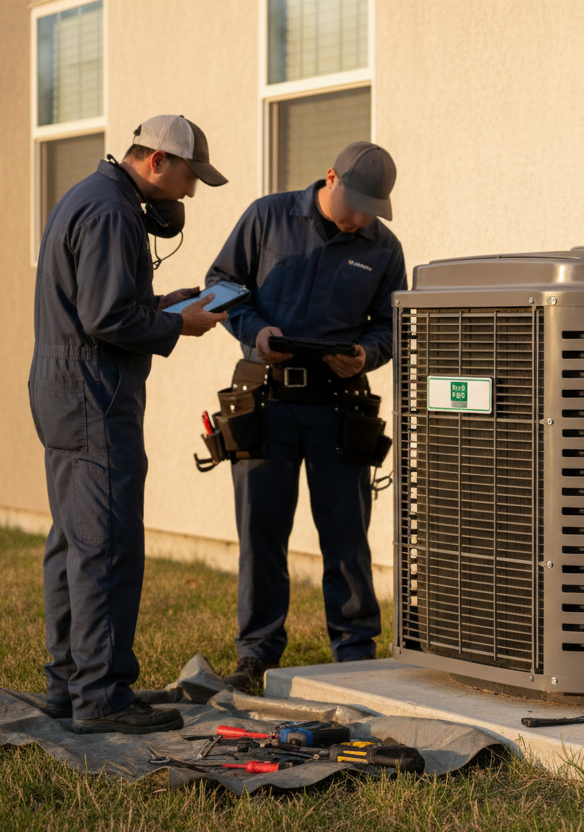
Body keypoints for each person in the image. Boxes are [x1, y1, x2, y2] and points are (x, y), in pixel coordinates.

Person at [29, 115, 229, 734]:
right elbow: (107, 318)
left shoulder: (89, 197)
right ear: (158, 161)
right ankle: (102, 698)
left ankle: (69, 684)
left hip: (65, 391)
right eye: (190, 177)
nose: (191, 193)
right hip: (95, 398)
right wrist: (180, 325)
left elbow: (105, 303)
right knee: (107, 547)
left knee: (72, 543)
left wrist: (167, 304)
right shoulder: (115, 212)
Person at [205, 141, 405, 693]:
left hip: (339, 406)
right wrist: (254, 332)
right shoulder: (267, 216)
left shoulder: (384, 248)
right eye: (355, 203)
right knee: (262, 532)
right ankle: (256, 657)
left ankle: (357, 658)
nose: (361, 218)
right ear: (330, 176)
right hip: (265, 401)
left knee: (346, 533)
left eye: (372, 209)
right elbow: (221, 286)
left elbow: (392, 324)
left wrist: (365, 354)